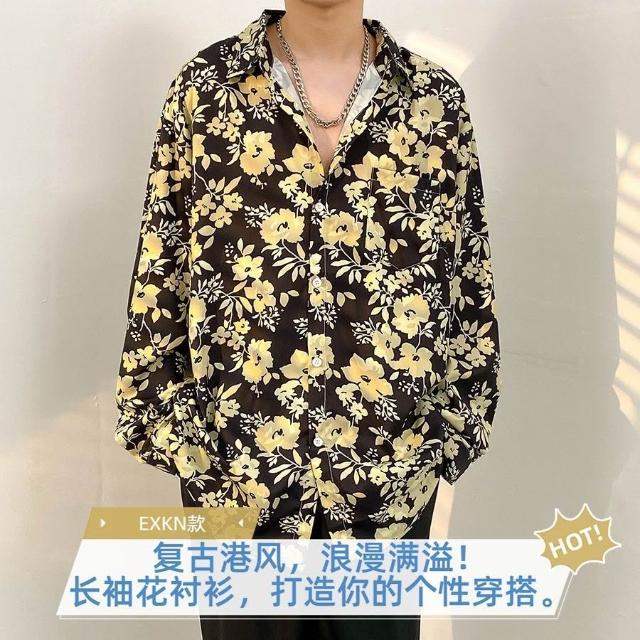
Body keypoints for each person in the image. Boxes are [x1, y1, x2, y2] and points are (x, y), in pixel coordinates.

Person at [114, 2, 501, 638]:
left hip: (387, 500)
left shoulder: (435, 105)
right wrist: (197, 458)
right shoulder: (203, 92)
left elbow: (470, 295)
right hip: (235, 494)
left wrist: (436, 446)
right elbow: (159, 288)